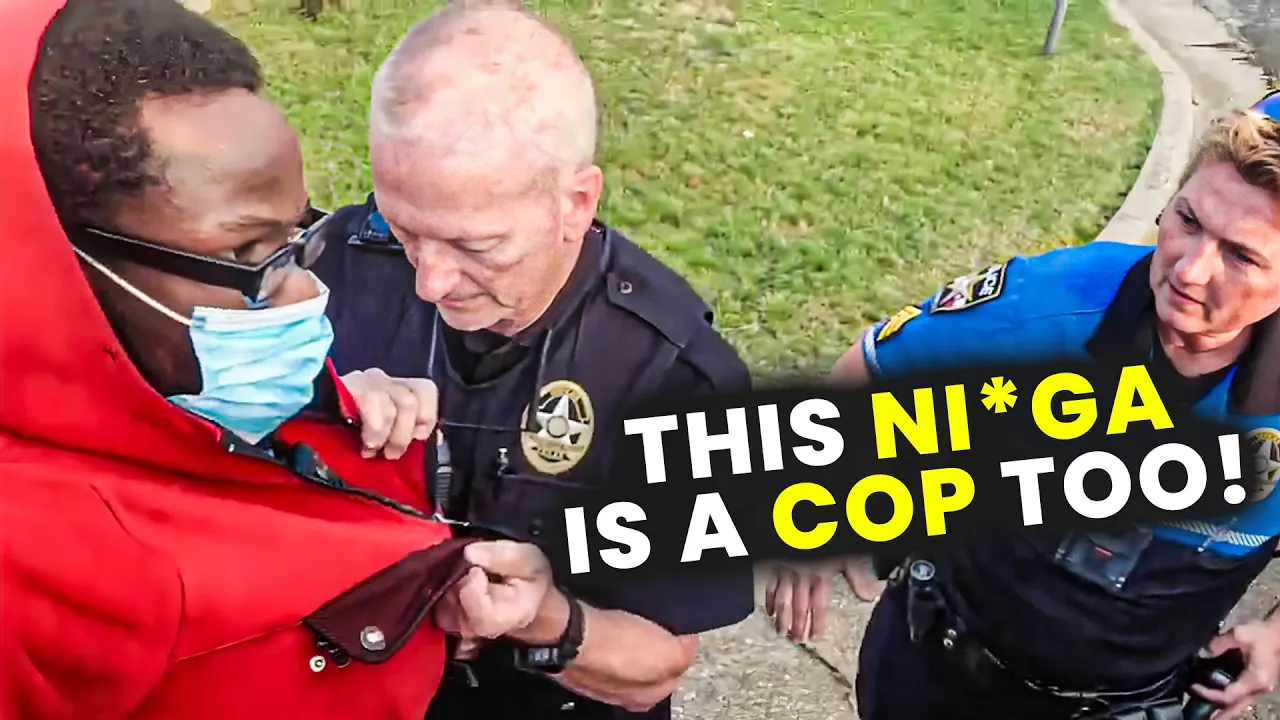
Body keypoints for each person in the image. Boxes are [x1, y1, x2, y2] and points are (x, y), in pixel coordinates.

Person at [1, 0, 543, 717]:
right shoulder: (31, 567)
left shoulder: (178, 394)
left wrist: (335, 433)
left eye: (295, 239)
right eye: (244, 254)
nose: (303, 294)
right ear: (52, 264)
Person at [307, 2, 757, 718]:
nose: (430, 282)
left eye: (477, 247)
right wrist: (317, 409)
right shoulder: (331, 265)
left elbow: (657, 664)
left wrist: (545, 618)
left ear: (575, 203)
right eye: (403, 230)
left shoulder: (673, 378)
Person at [766, 100, 1280, 720]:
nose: (1190, 270)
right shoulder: (1047, 302)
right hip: (936, 668)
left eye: (1241, 256)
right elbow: (872, 368)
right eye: (1188, 220)